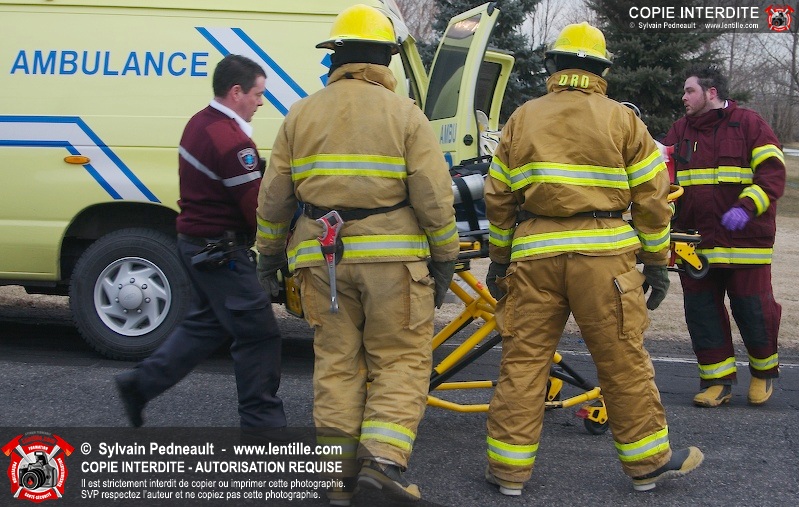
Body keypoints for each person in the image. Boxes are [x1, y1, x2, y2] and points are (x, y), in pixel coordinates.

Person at [482, 22, 704, 495]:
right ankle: (647, 466)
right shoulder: (623, 120)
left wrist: (500, 258)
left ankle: (507, 473)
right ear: (601, 70)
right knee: (622, 362)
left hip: (534, 256)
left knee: (523, 364)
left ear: (554, 65)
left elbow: (498, 195)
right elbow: (652, 198)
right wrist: (657, 262)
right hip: (604, 261)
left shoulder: (523, 118)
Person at [255, 4, 458, 504]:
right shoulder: (404, 114)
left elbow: (274, 197)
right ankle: (381, 465)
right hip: (394, 264)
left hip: (320, 262)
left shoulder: (301, 113)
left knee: (336, 364)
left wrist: (268, 258)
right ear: (386, 59)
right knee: (400, 360)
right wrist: (444, 257)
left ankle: (337, 481)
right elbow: (434, 197)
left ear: (336, 58)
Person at [114, 54, 286, 429]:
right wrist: (285, 242)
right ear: (236, 91)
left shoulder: (199, 123)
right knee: (259, 336)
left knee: (205, 326)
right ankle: (264, 432)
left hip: (198, 245)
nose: (261, 102)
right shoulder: (231, 141)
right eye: (258, 94)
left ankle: (140, 385)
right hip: (222, 252)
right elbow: (256, 210)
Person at [663, 65, 785, 408]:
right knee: (701, 313)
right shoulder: (679, 131)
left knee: (754, 309)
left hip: (745, 241)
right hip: (694, 243)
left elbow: (772, 175)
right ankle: (717, 382)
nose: (683, 97)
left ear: (711, 92)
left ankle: (763, 372)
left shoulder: (749, 124)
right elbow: (663, 179)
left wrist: (747, 207)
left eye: (689, 91)